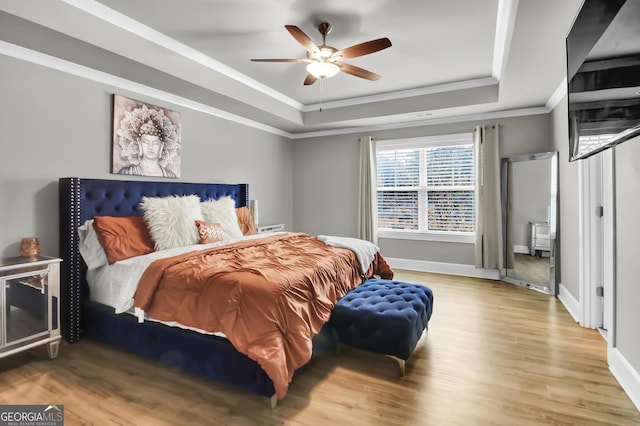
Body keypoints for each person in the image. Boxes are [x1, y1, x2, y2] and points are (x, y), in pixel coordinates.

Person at [115, 103, 180, 177]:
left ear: (161, 146)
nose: (150, 146)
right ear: (139, 144)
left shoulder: (170, 176)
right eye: (146, 142)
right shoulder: (126, 173)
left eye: (155, 143)